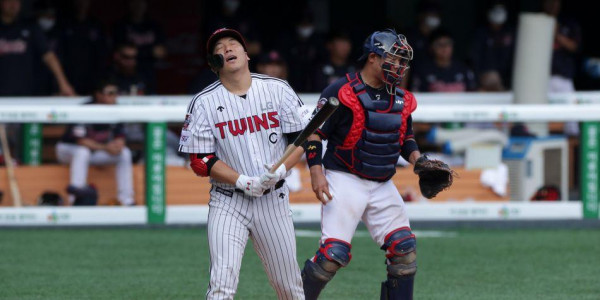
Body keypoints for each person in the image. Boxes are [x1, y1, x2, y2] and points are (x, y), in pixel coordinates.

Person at [178, 28, 308, 299]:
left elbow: (302, 139)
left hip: (273, 200)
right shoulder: (203, 102)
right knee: (221, 285)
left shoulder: (277, 89)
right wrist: (242, 180)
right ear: (214, 64)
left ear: (247, 55)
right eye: (220, 48)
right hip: (228, 201)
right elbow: (200, 161)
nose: (227, 49)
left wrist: (281, 170)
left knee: (289, 287)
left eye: (233, 44)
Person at [300, 29, 421, 299]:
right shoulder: (341, 90)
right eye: (394, 60)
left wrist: (419, 160)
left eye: (403, 61)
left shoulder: (399, 96)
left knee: (404, 250)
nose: (400, 67)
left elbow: (406, 138)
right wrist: (316, 172)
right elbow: (315, 133)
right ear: (373, 58)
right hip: (344, 179)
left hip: (382, 183)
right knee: (332, 256)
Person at [55, 79, 135, 206]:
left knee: (124, 153)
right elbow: (80, 141)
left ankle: (127, 200)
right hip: (68, 150)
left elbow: (120, 137)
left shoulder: (116, 110)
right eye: (110, 93)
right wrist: (105, 147)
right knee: (82, 152)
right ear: (98, 95)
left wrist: (117, 146)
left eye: (116, 93)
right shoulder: (85, 109)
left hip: (96, 152)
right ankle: (76, 199)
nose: (114, 97)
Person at [0, 0, 75, 96]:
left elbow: (48, 56)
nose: (13, 4)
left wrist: (63, 83)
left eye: (17, 1)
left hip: (25, 95)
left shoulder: (29, 27)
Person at [57, 0, 109, 95]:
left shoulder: (96, 25)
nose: (82, 3)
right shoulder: (64, 25)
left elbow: (102, 56)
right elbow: (58, 55)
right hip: (69, 79)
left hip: (92, 81)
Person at [470, 1, 515, 89]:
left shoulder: (511, 32)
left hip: (506, 80)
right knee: (492, 78)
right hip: (484, 78)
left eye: (501, 10)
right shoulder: (481, 33)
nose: (498, 14)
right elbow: (474, 59)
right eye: (496, 11)